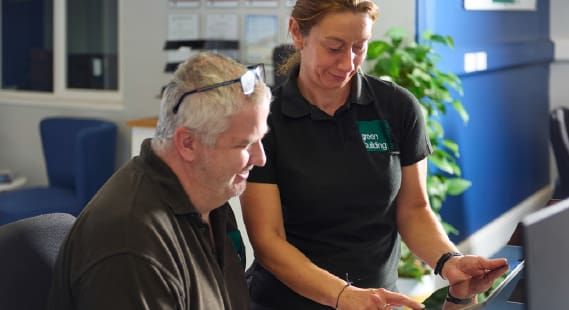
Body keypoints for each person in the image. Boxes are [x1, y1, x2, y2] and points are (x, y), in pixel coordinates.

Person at [240, 1, 507, 310]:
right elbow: (268, 241)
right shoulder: (267, 119)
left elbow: (414, 209)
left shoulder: (397, 107)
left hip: (377, 302)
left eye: (360, 47)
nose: (348, 63)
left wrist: (448, 261)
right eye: (335, 48)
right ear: (298, 34)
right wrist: (342, 294)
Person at [47, 52, 271, 310]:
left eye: (261, 139)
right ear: (188, 143)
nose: (260, 158)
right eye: (245, 144)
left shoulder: (212, 200)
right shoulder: (131, 245)